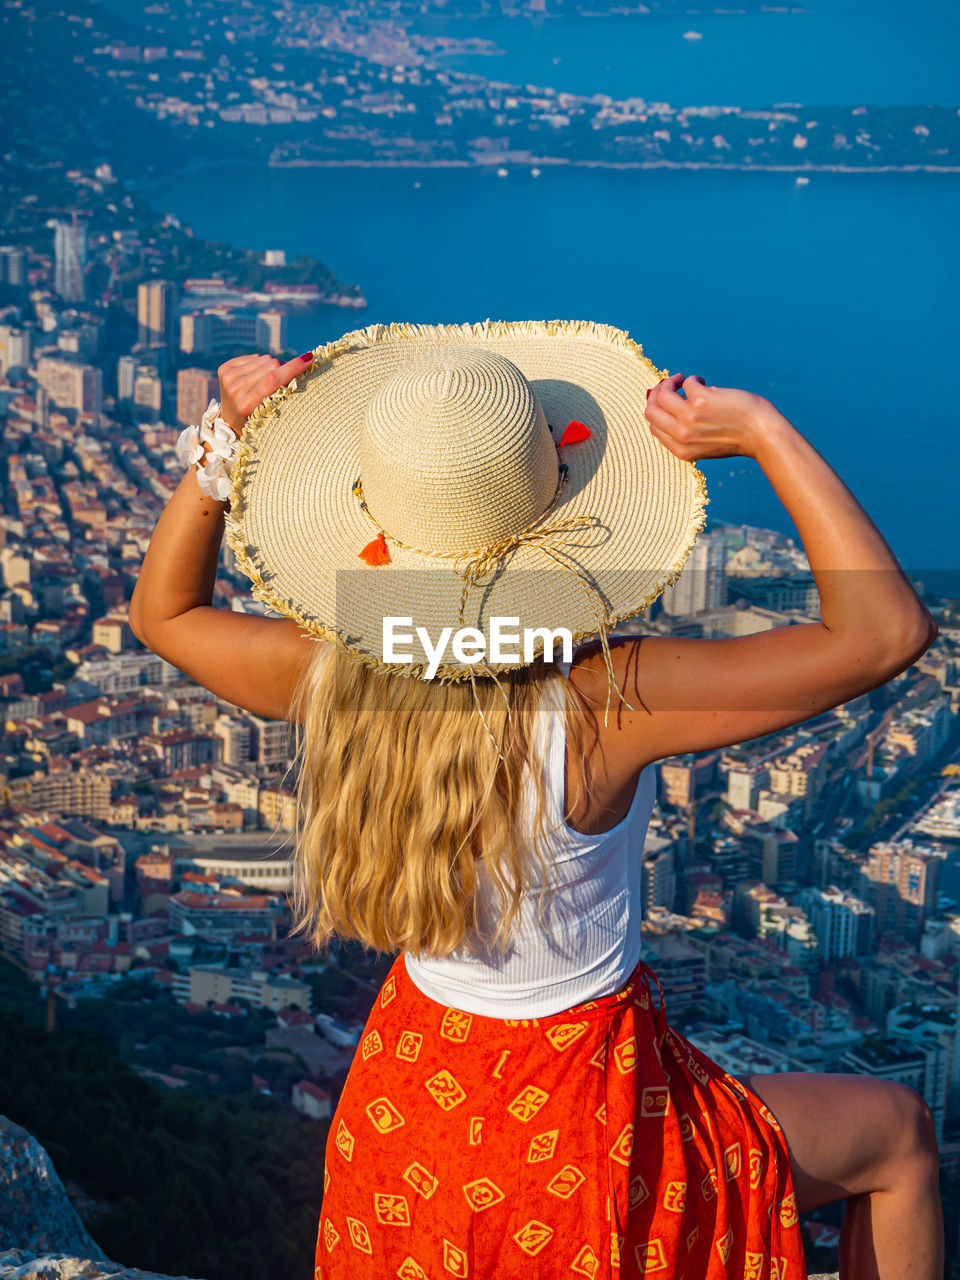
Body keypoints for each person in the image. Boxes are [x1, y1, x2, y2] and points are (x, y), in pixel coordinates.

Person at [131, 320, 945, 1280]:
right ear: (550, 514)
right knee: (897, 1137)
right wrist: (765, 431)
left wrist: (223, 444)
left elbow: (164, 614)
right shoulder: (604, 700)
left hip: (412, 1102)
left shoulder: (334, 674)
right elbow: (883, 633)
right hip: (585, 1111)